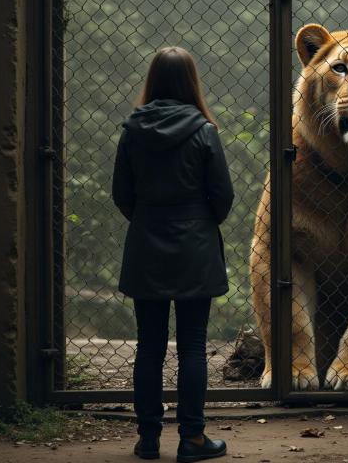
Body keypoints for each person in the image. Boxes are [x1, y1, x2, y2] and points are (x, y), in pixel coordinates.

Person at [112, 46, 234, 462]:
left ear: (153, 80)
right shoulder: (204, 131)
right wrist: (199, 220)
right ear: (191, 81)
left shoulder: (132, 130)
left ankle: (147, 439)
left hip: (147, 242)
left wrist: (148, 218)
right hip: (194, 246)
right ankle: (192, 439)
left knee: (148, 345)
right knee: (193, 346)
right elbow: (222, 195)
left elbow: (121, 194)